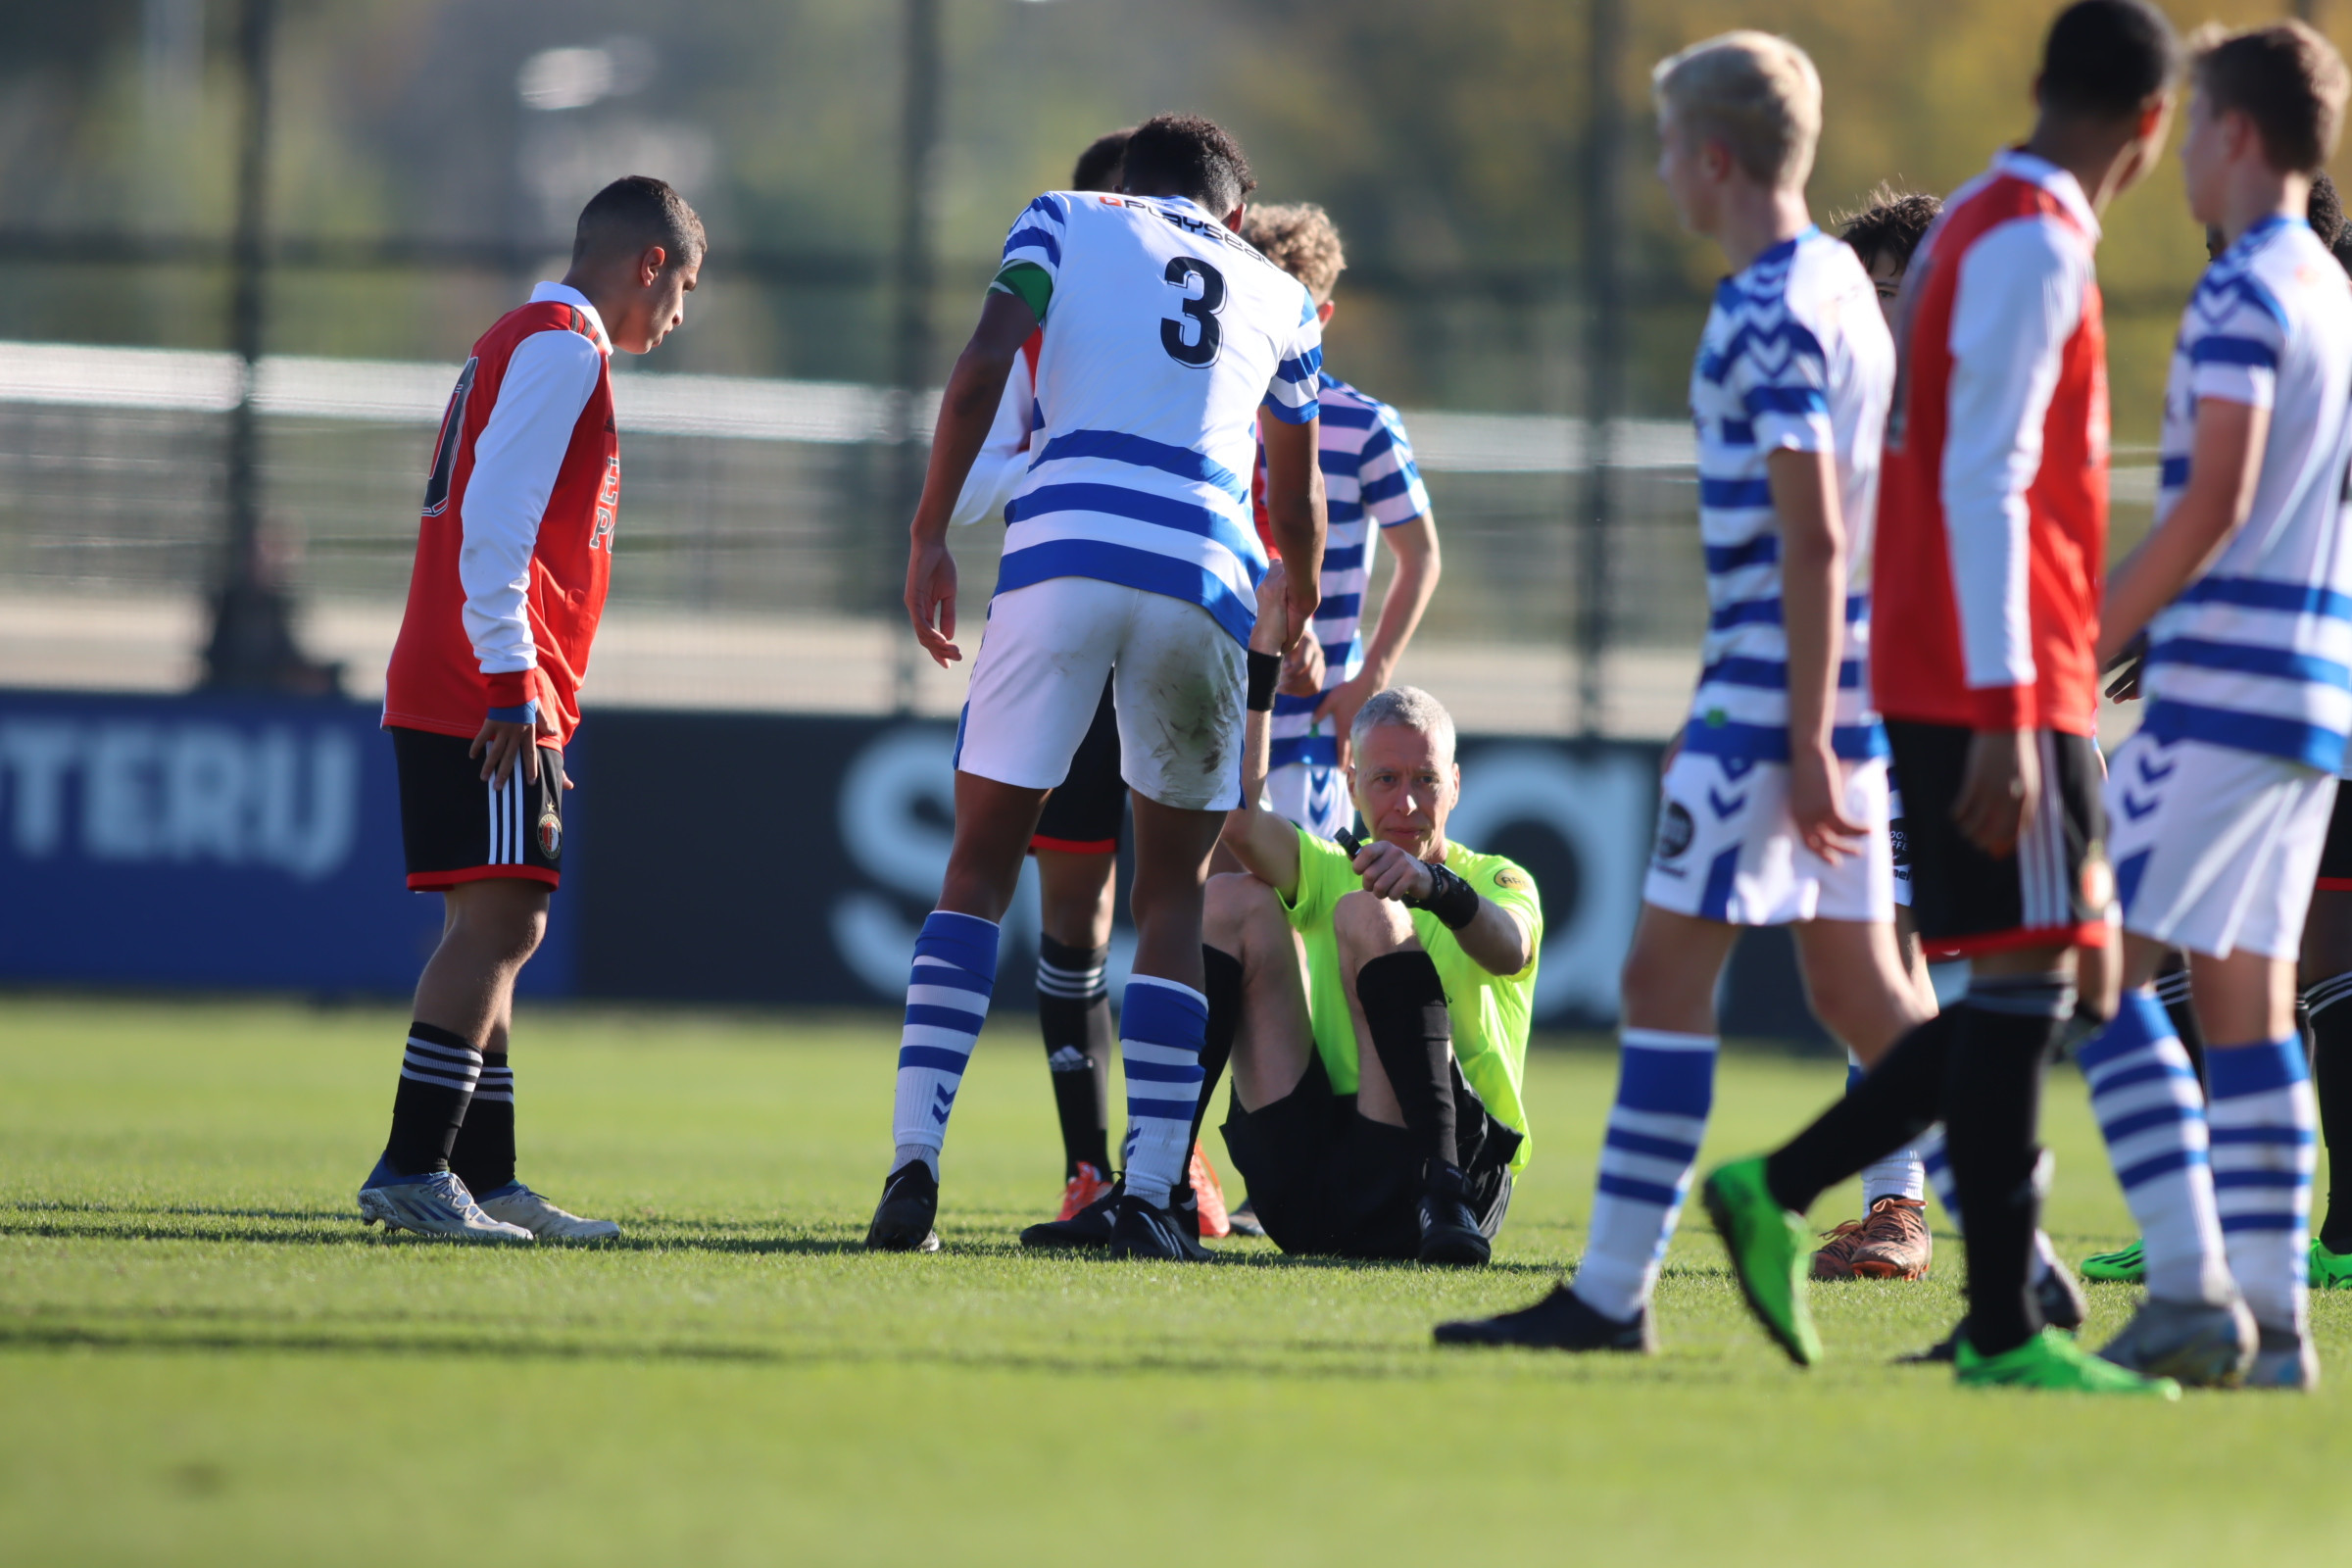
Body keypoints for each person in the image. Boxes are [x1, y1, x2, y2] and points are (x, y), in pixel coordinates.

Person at [1700, 0, 2184, 1395]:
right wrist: (2024, 698)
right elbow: (1984, 477)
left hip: (1954, 659)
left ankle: (1902, 1253)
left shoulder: (1970, 223)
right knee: (2039, 978)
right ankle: (1936, 1277)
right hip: (1993, 672)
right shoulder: (2034, 238)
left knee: (2057, 972)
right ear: (2149, 131)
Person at [1436, 29, 1929, 1353]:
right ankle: (2017, 1254)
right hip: (1831, 690)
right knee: (1869, 1002)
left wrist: (1794, 720)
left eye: (1665, 150)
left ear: (1713, 159)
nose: (1660, 176)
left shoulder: (1768, 304)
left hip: (1782, 704)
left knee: (1664, 982)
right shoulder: (1837, 283)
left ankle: (1609, 1296)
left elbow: (1814, 534)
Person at [865, 114, 1327, 1260]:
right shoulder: (1281, 294)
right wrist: (1301, 593)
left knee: (976, 869)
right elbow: (1297, 489)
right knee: (1171, 896)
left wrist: (929, 533)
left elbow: (980, 370)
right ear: (1231, 211)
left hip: (1062, 552)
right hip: (1204, 576)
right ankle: (1156, 1192)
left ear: (1135, 181)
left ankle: (912, 1171)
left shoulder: (1063, 219)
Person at [2057, 21, 2352, 1393]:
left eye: (2189, 128)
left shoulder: (2241, 294)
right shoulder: (2335, 292)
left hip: (2225, 695)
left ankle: (2190, 1289)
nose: (2173, 163)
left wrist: (2088, 638)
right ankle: (2276, 1320)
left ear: (2233, 134)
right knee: (2246, 1003)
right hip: (2312, 693)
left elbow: (2215, 499)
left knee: (2090, 963)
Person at [358, 176, 705, 1241]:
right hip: (491, 684)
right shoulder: (565, 344)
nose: (680, 314)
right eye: (683, 286)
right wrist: (514, 678)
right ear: (648, 263)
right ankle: (415, 1168)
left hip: (464, 670)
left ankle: (486, 1176)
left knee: (491, 916)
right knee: (510, 917)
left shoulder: (524, 335)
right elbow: (494, 525)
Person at [1028, 565, 1535, 1262]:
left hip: (1454, 1187)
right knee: (1233, 898)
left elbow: (1511, 949)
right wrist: (1261, 658)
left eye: (1425, 780)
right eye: (1386, 780)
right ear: (1351, 781)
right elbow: (1238, 817)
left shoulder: (1496, 877)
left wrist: (1436, 888)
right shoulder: (1334, 865)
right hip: (1319, 1195)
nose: (1407, 803)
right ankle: (1157, 1188)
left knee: (1368, 916)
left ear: (1456, 783)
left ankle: (1441, 1189)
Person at [945, 126, 1237, 1237]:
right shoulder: (1046, 327)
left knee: (1192, 894)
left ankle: (1172, 1159)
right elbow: (976, 477)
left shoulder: (1208, 324)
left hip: (1177, 617)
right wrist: (1067, 455)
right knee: (1077, 907)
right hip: (1064, 627)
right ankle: (1089, 1163)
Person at [1241, 203, 1443, 842]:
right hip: (1226, 698)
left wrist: (1371, 677)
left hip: (1314, 715)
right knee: (1220, 909)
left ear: (1319, 317)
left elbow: (1421, 556)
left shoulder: (1364, 423)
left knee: (1300, 907)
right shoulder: (1218, 407)